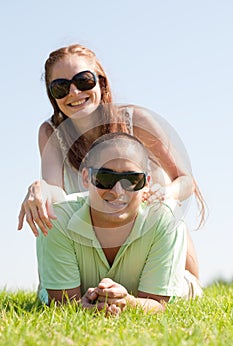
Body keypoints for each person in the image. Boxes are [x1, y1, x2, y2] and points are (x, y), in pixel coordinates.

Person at [18, 43, 205, 238]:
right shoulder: (51, 133)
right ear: (52, 95)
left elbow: (186, 181)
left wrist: (167, 193)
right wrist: (41, 189)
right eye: (60, 87)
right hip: (97, 250)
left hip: (153, 238)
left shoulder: (136, 120)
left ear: (101, 82)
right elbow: (56, 196)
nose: (73, 92)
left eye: (83, 80)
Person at [37, 132, 202, 315]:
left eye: (131, 180)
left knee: (183, 289)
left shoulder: (165, 218)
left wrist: (127, 302)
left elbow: (158, 304)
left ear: (146, 183)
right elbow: (62, 304)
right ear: (85, 178)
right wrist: (82, 307)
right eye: (105, 178)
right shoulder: (58, 219)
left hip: (175, 284)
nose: (117, 191)